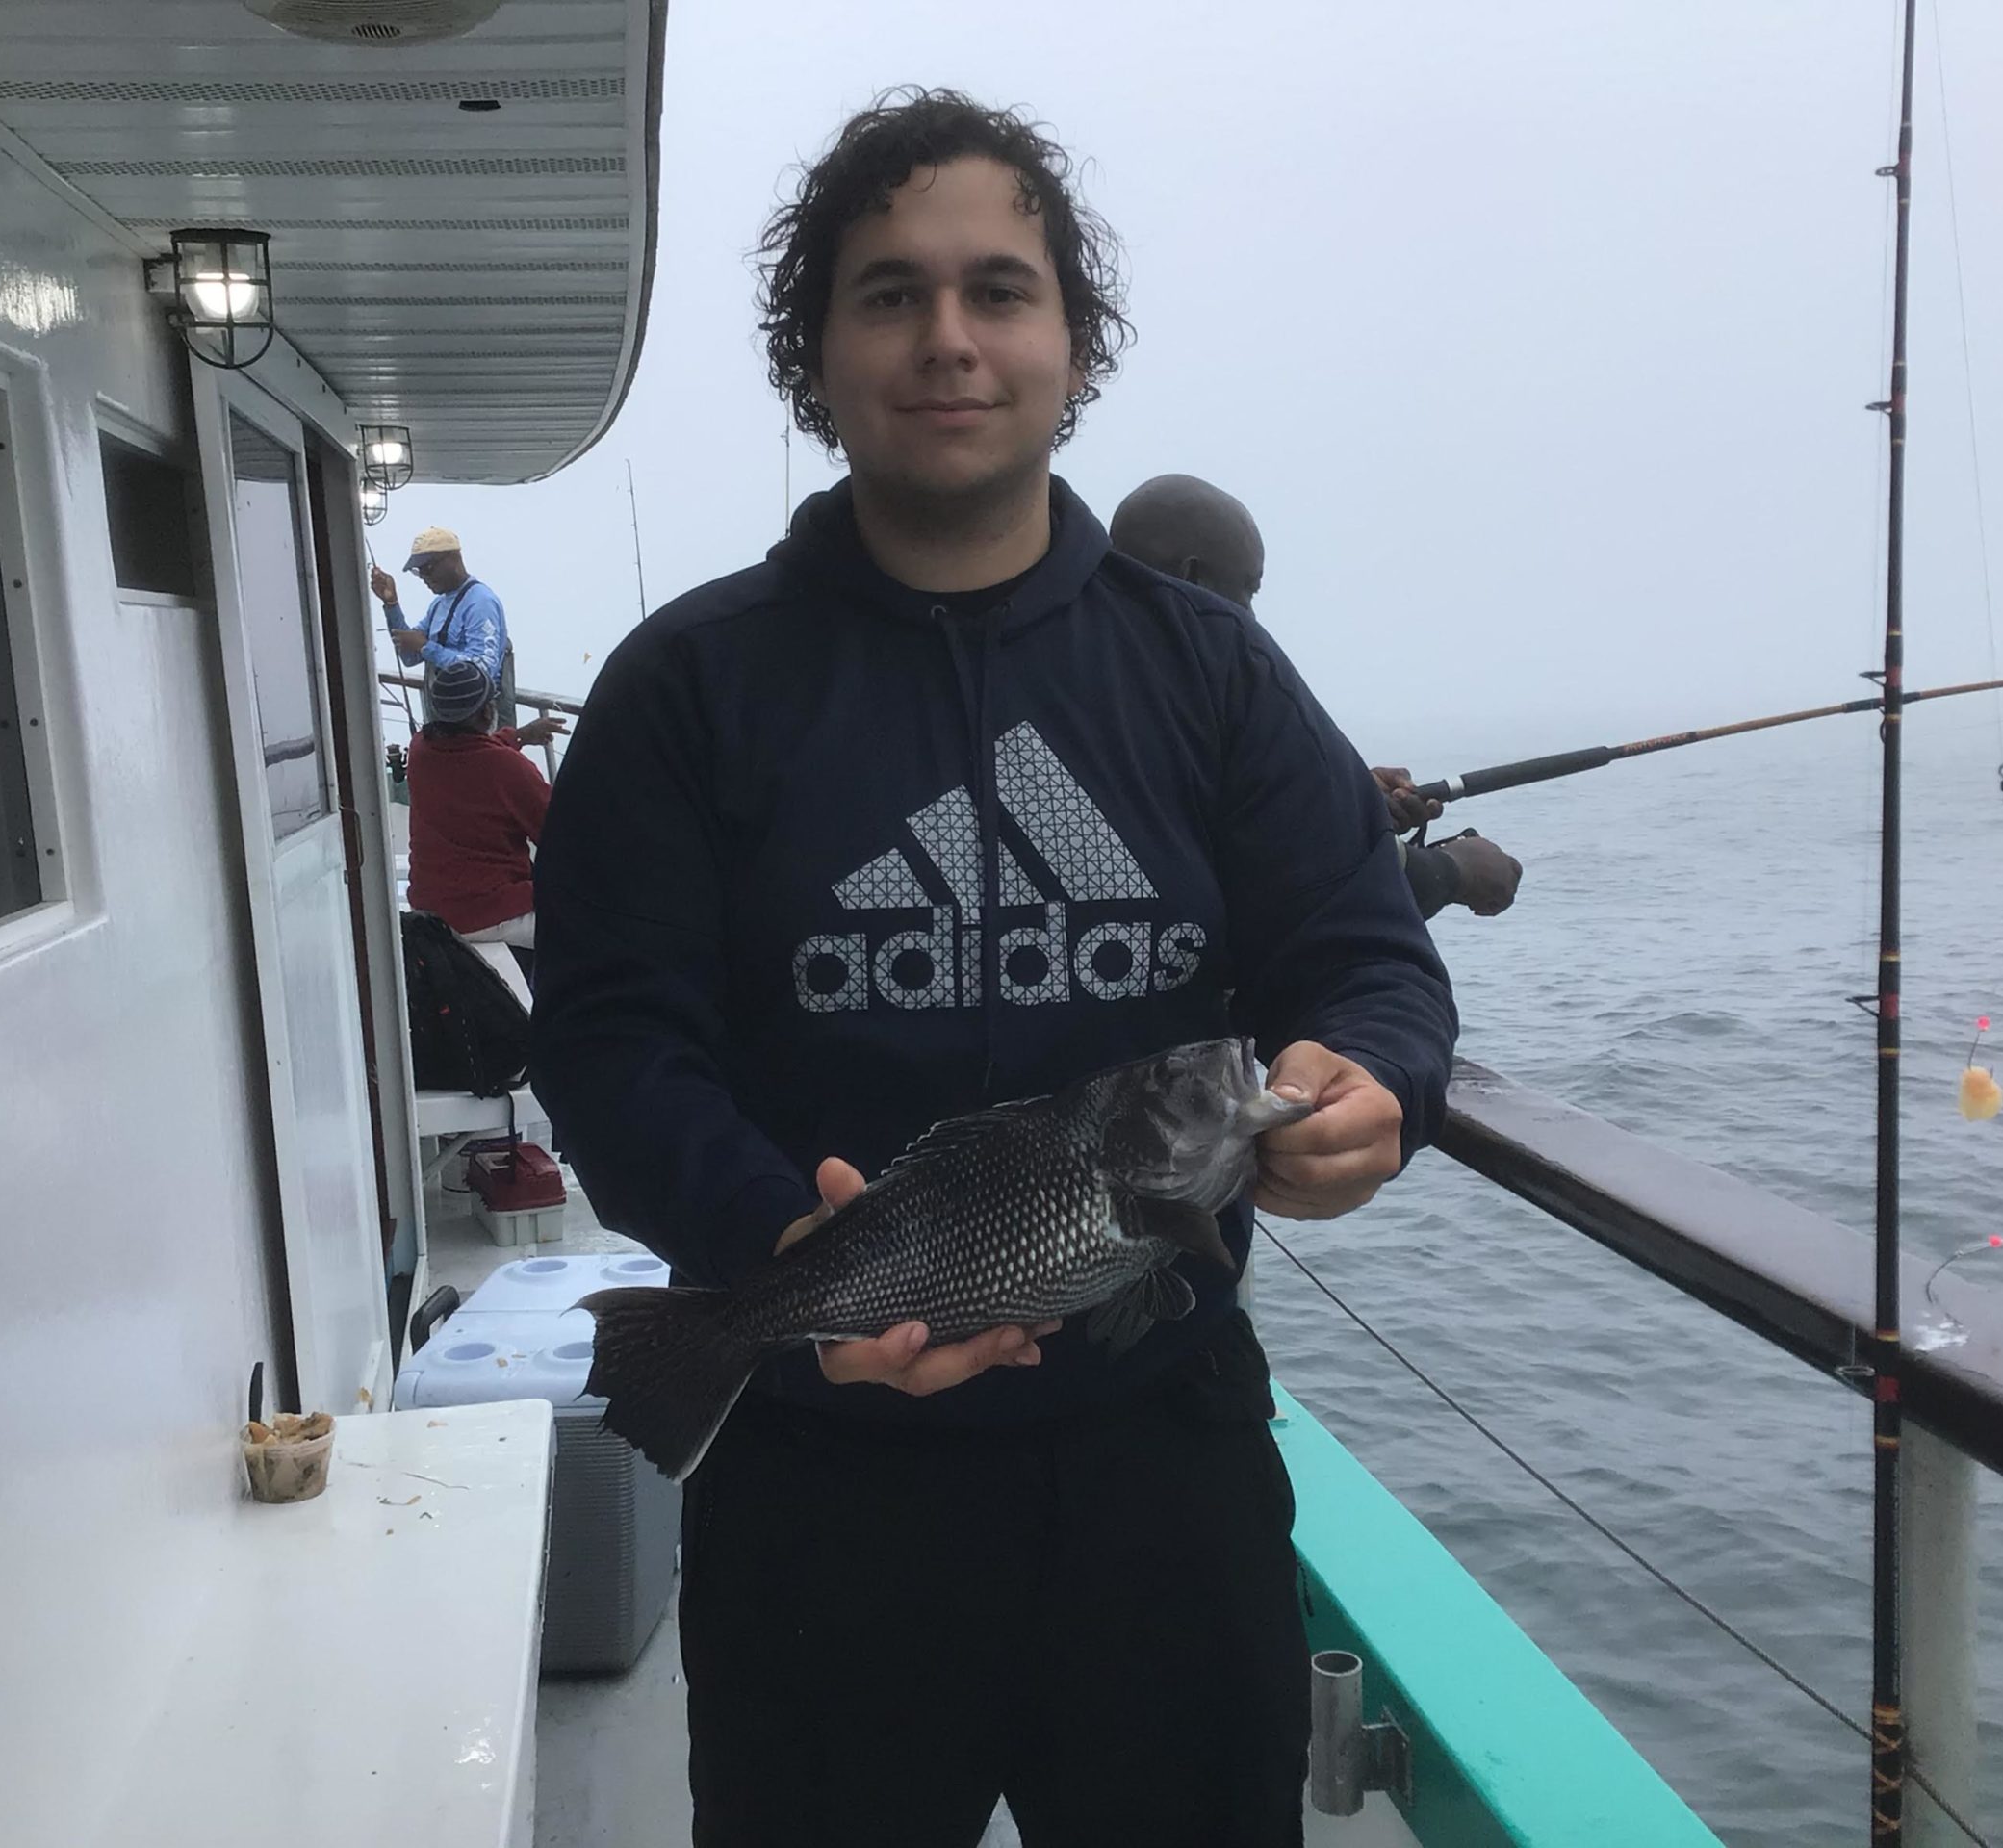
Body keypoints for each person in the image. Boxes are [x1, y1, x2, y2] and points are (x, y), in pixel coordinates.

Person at [533, 90, 1457, 1848]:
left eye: (998, 291)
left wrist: (1376, 1083)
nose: (947, 339)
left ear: (1071, 346)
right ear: (817, 355)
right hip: (818, 1484)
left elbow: (1365, 958)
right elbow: (610, 1039)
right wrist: (767, 1239)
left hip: (1162, 1459)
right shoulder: (687, 689)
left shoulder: (1210, 675)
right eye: (890, 293)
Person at [1110, 473, 1524, 921]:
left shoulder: (1098, 691)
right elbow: (1305, 879)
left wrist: (1344, 795)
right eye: (1248, 589)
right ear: (1191, 578)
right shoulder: (1174, 713)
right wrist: (1456, 869)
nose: (1251, 619)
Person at [405, 657, 556, 959]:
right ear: (488, 711)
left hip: (429, 905)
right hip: (486, 911)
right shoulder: (507, 768)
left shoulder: (420, 749)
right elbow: (561, 834)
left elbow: (471, 756)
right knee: (598, 926)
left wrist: (518, 736)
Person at [370, 525, 531, 732]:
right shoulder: (439, 604)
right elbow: (410, 656)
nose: (423, 576)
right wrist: (391, 604)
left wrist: (427, 647)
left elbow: (483, 670)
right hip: (447, 723)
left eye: (428, 568)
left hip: (480, 725)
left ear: (454, 558)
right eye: (418, 571)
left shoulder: (481, 602)